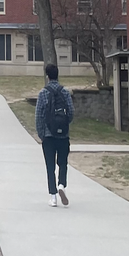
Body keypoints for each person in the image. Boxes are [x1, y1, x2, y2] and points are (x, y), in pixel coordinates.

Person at [34, 62, 74, 207]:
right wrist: (64, 125)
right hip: (63, 135)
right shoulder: (65, 92)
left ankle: (53, 196)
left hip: (48, 135)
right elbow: (71, 112)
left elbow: (39, 115)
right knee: (63, 163)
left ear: (47, 76)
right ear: (58, 75)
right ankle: (62, 185)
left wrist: (41, 133)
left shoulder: (43, 93)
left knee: (50, 166)